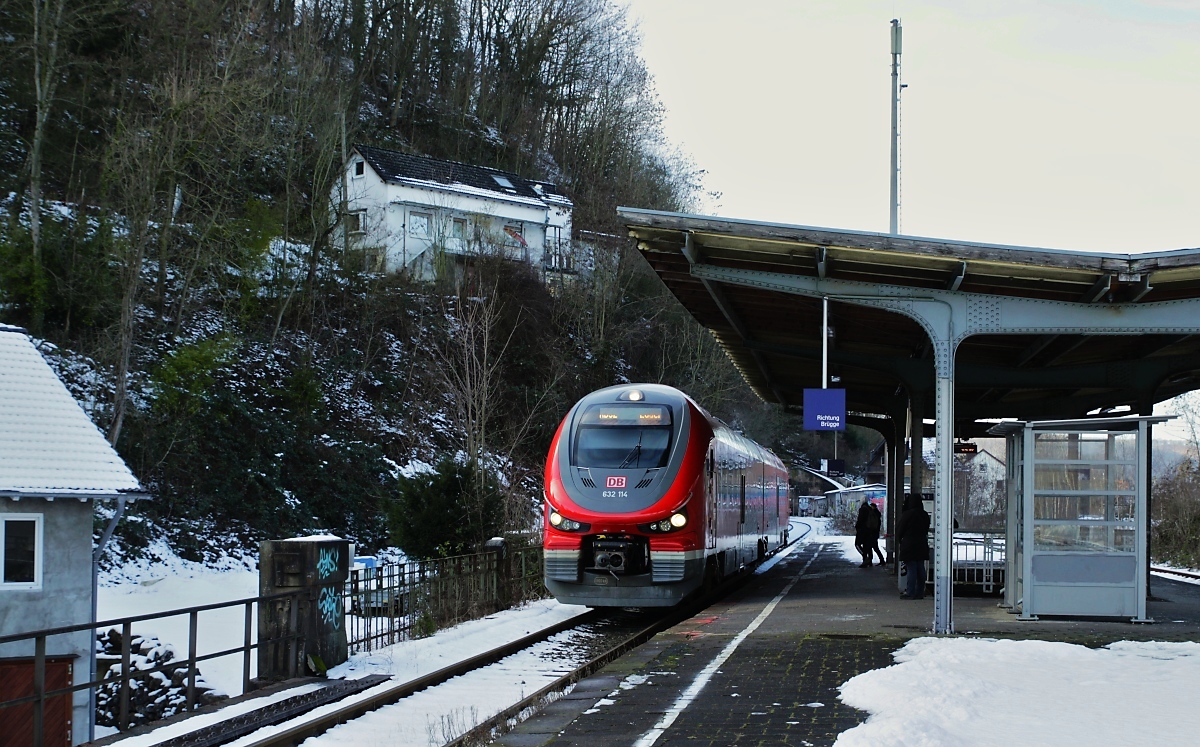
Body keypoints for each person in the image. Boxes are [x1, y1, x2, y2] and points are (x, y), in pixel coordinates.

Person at [895, 493, 930, 599]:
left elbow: (900, 530)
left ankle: (910, 592)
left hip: (909, 545)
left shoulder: (907, 514)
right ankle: (920, 592)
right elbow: (926, 529)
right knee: (920, 568)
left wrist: (899, 540)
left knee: (911, 568)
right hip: (922, 544)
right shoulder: (924, 514)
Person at [854, 501, 875, 568]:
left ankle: (865, 558)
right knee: (867, 546)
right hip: (870, 530)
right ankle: (869, 561)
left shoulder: (862, 509)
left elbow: (860, 520)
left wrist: (857, 527)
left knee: (857, 544)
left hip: (862, 530)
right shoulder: (870, 509)